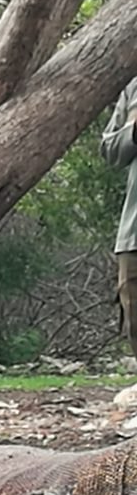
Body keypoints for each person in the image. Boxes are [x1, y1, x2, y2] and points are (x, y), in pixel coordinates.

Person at [102, 75, 137, 362]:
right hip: (133, 232)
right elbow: (110, 150)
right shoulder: (133, 88)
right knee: (133, 318)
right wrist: (134, 131)